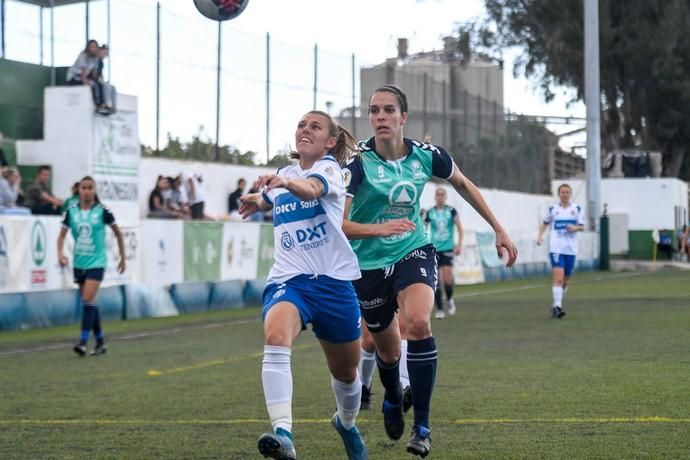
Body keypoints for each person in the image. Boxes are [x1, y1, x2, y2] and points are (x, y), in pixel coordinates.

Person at [343, 84, 517, 458]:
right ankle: (392, 396)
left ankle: (422, 427)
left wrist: (498, 228)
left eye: (389, 110)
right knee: (383, 351)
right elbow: (339, 224)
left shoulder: (427, 156)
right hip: (368, 263)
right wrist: (377, 229)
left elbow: (464, 185)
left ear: (403, 117)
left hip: (413, 249)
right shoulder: (356, 163)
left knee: (419, 324)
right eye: (374, 111)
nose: (380, 117)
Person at [239, 111, 367, 460]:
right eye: (301, 125)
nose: (305, 130)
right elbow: (273, 196)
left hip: (334, 284)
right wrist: (257, 200)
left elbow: (309, 188)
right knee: (276, 337)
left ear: (330, 141)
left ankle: (346, 423)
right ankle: (284, 437)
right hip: (289, 281)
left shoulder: (330, 172)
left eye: (315, 126)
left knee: (346, 374)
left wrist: (282, 186)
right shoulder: (283, 174)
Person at [57, 176, 126, 356]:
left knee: (87, 299)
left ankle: (83, 341)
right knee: (90, 303)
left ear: (94, 191)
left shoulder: (102, 211)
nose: (87, 191)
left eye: (90, 188)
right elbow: (61, 235)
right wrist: (60, 253)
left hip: (97, 262)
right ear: (78, 191)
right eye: (83, 188)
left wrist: (123, 258)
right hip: (79, 263)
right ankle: (101, 341)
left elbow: (118, 233)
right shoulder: (71, 211)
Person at [537, 183, 584, 319]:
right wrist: (540, 236)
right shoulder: (553, 209)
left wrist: (574, 228)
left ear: (570, 194)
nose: (565, 194)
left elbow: (582, 226)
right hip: (556, 248)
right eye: (562, 192)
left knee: (565, 280)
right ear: (559, 194)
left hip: (571, 249)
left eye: (567, 192)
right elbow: (545, 222)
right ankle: (558, 307)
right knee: (558, 277)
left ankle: (556, 305)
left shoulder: (576, 209)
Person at [424, 187, 463, 319]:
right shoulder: (430, 212)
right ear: (435, 197)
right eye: (438, 194)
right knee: (436, 282)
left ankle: (450, 299)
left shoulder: (451, 211)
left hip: (447, 249)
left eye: (442, 194)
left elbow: (460, 228)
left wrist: (459, 244)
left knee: (447, 280)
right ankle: (440, 309)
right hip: (434, 250)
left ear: (445, 197)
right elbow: (424, 228)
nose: (440, 197)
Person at [66, 40, 107, 113]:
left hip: (84, 77)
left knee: (99, 84)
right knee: (92, 85)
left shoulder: (96, 58)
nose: (93, 49)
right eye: (91, 47)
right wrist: (87, 84)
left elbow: (94, 73)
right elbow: (83, 73)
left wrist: (99, 80)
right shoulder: (83, 56)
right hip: (74, 78)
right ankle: (96, 106)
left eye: (95, 47)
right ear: (88, 48)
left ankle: (101, 105)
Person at [90, 44, 116, 114]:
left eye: (105, 54)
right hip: (91, 79)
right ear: (99, 51)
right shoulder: (94, 60)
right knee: (103, 86)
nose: (104, 55)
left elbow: (100, 75)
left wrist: (103, 80)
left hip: (98, 80)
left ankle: (112, 107)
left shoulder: (101, 63)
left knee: (112, 87)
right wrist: (100, 80)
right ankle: (102, 105)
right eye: (103, 53)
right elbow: (93, 74)